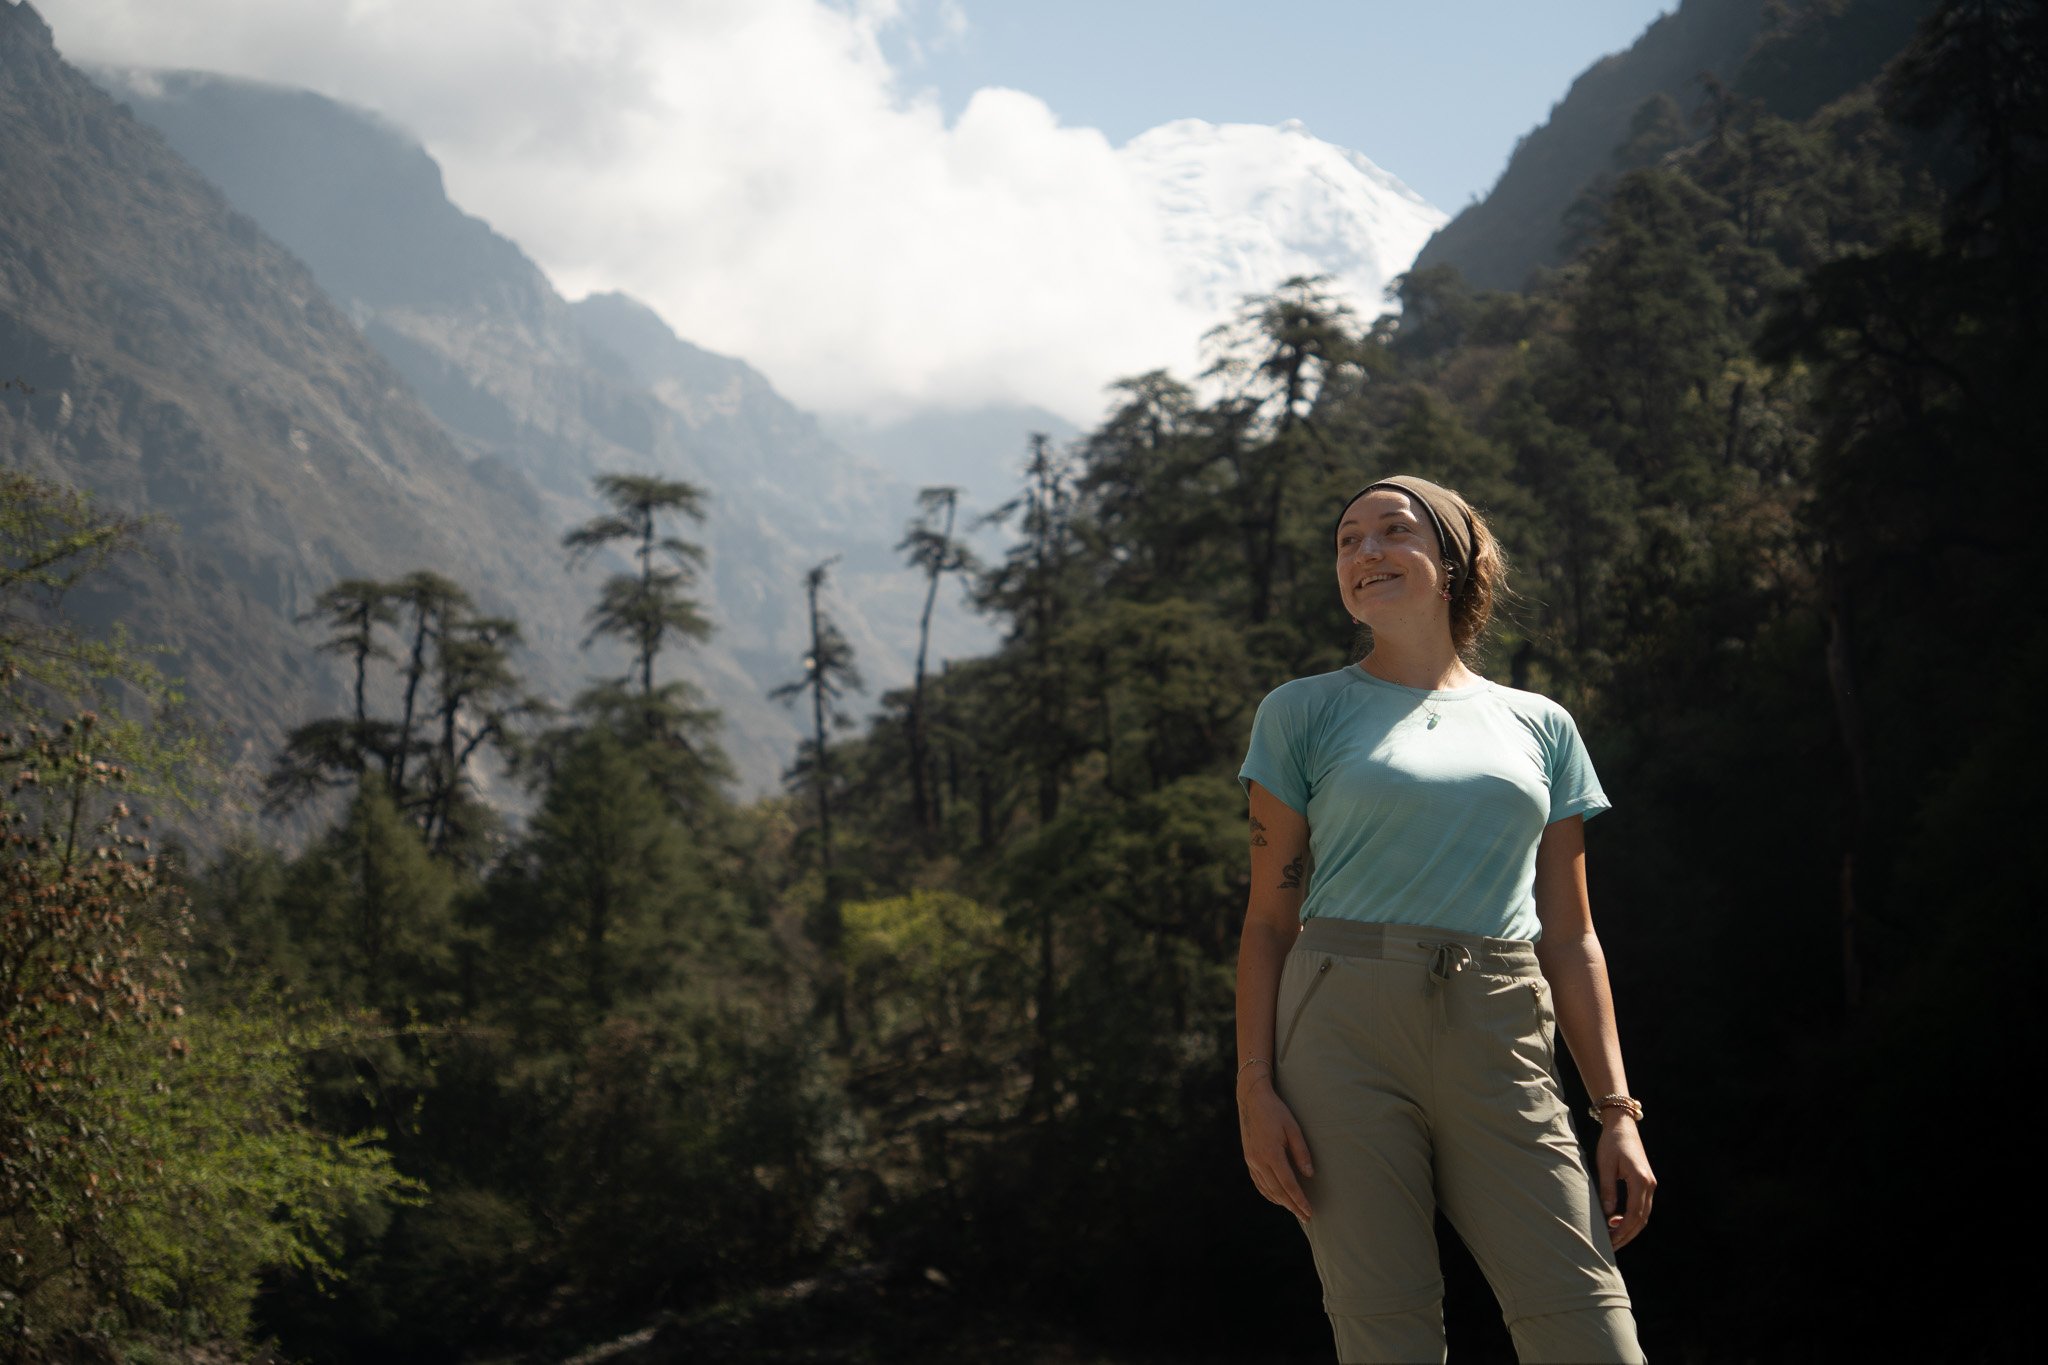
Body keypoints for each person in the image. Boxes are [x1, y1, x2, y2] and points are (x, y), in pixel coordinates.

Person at [1234, 475, 1653, 1364]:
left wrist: (1616, 1109)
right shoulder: (1302, 712)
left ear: (1456, 561)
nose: (1366, 553)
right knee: (1386, 1330)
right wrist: (1253, 1084)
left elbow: (1572, 934)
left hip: (1500, 1023)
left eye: (1393, 531)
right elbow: (1268, 922)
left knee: (1587, 1320)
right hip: (1338, 1025)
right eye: (1348, 541)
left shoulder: (1540, 725)